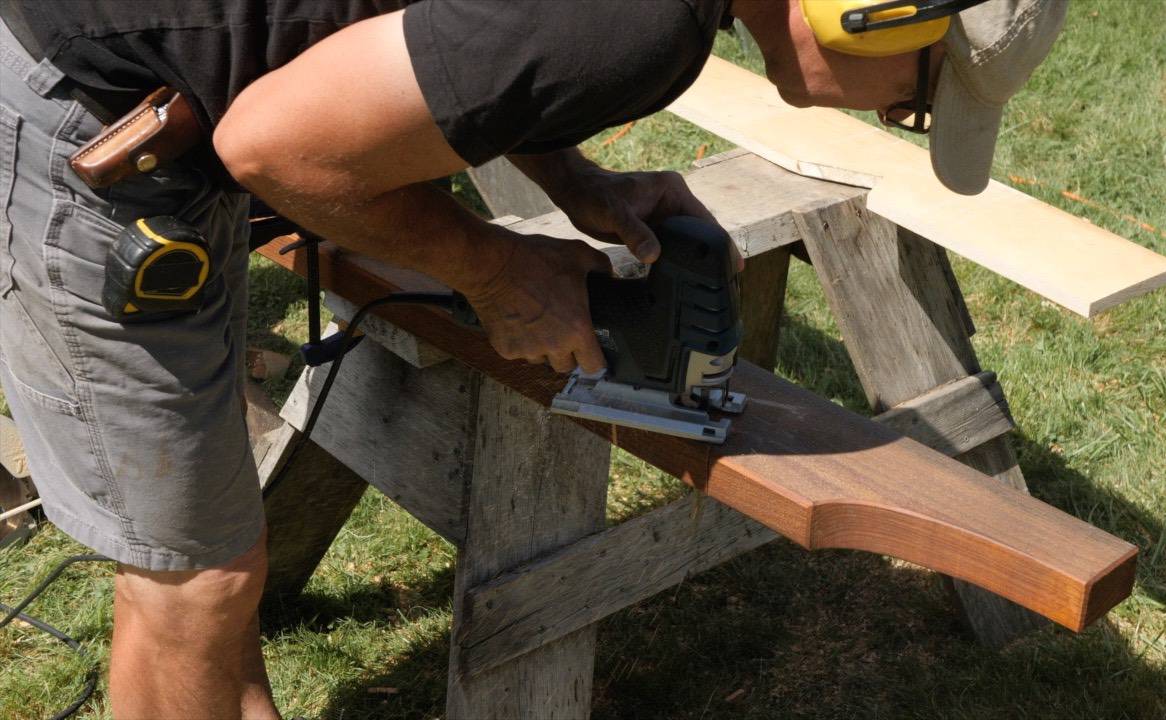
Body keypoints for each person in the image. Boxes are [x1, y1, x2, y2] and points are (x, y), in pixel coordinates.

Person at [0, 0, 1066, 716]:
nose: (893, 113)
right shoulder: (649, 26)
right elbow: (273, 148)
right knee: (194, 579)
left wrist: (574, 186)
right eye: (918, 91)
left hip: (153, 78)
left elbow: (465, 38)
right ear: (876, 5)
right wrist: (497, 272)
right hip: (100, 110)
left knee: (209, 562)